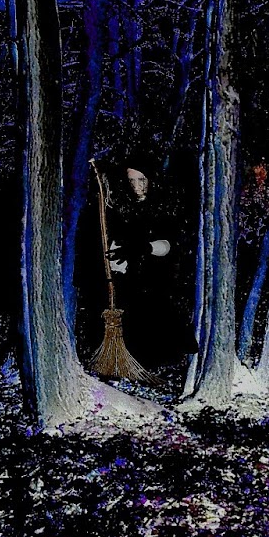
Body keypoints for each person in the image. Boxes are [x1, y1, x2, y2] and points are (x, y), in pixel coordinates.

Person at [79, 152, 198, 373]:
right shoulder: (122, 208)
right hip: (129, 278)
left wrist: (142, 248)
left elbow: (168, 245)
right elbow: (114, 241)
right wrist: (116, 259)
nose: (136, 186)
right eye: (131, 180)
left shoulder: (163, 207)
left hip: (157, 276)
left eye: (141, 180)